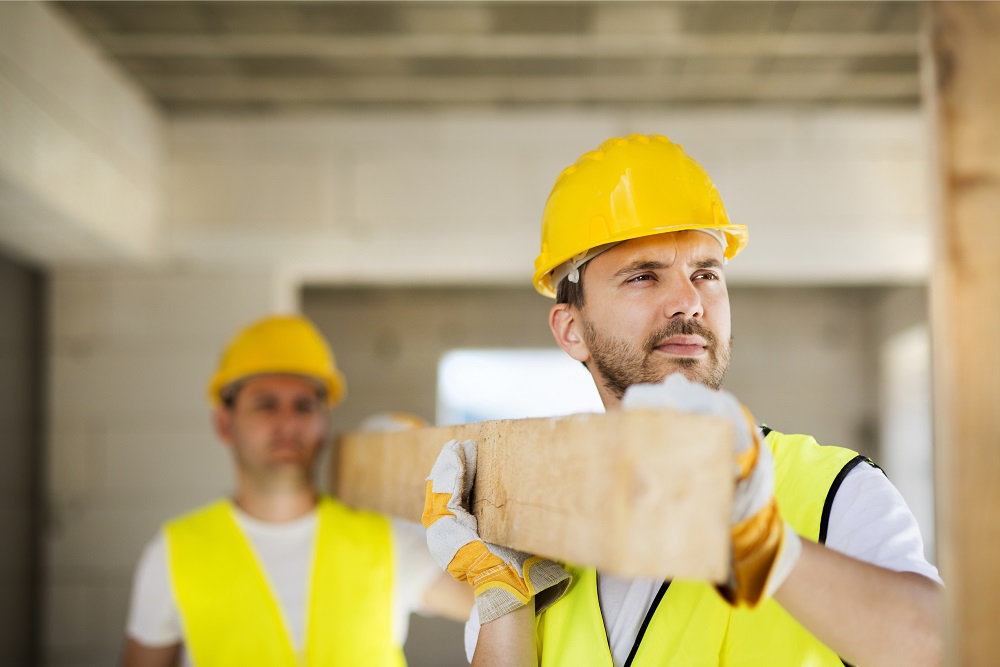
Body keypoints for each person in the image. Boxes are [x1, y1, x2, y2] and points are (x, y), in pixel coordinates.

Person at [422, 135, 943, 666]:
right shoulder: (534, 540)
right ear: (571, 328)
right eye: (644, 276)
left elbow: (947, 652)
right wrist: (501, 595)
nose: (689, 302)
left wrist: (767, 548)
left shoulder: (833, 491)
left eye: (706, 274)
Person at [122, 315, 471, 667]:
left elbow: (491, 599)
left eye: (304, 406)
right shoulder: (172, 554)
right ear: (225, 423)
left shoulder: (385, 538)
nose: (288, 423)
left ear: (323, 422)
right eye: (266, 404)